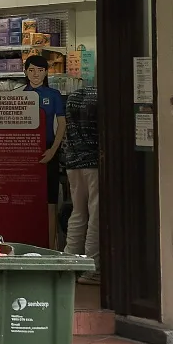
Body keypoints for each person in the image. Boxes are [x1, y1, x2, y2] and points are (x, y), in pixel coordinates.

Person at [24, 55, 66, 245]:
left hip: (48, 150)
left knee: (50, 200)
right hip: (25, 153)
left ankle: (50, 245)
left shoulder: (53, 95)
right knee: (26, 199)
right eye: (31, 70)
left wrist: (52, 151)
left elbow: (62, 125)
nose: (36, 74)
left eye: (40, 70)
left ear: (46, 72)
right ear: (25, 72)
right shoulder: (19, 94)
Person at [62, 75, 100, 270]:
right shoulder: (99, 99)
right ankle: (91, 266)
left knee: (78, 212)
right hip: (94, 163)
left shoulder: (74, 97)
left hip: (73, 162)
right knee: (96, 213)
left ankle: (70, 261)